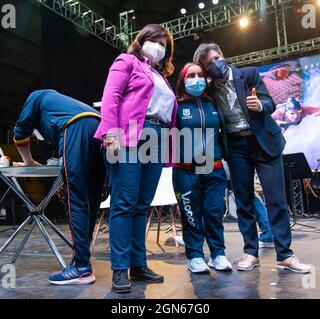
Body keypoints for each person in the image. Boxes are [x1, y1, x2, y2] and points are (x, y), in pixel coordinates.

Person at [193, 43, 311, 273]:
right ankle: (250, 253)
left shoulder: (247, 75)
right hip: (236, 147)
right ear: (205, 69)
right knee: (244, 201)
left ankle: (285, 255)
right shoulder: (209, 91)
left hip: (263, 142)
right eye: (209, 63)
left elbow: (270, 102)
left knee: (276, 199)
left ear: (223, 56)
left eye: (217, 57)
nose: (215, 63)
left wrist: (260, 105)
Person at [94, 24, 178, 293]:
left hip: (157, 138)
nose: (159, 46)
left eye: (164, 43)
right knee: (124, 203)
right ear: (141, 41)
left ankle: (138, 265)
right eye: (154, 40)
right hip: (129, 135)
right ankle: (120, 268)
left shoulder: (161, 77)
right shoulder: (127, 61)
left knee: (142, 205)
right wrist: (110, 132)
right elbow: (112, 96)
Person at [13, 89, 106, 285]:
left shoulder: (36, 96)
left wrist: (28, 162)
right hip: (100, 128)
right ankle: (81, 261)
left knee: (76, 199)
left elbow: (20, 135)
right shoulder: (60, 106)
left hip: (76, 127)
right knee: (90, 200)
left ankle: (81, 268)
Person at [173, 62, 232, 274]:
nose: (196, 79)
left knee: (214, 213)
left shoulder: (213, 103)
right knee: (191, 215)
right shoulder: (176, 106)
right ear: (183, 80)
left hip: (214, 169)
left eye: (200, 75)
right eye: (191, 75)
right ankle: (195, 256)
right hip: (186, 171)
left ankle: (218, 254)